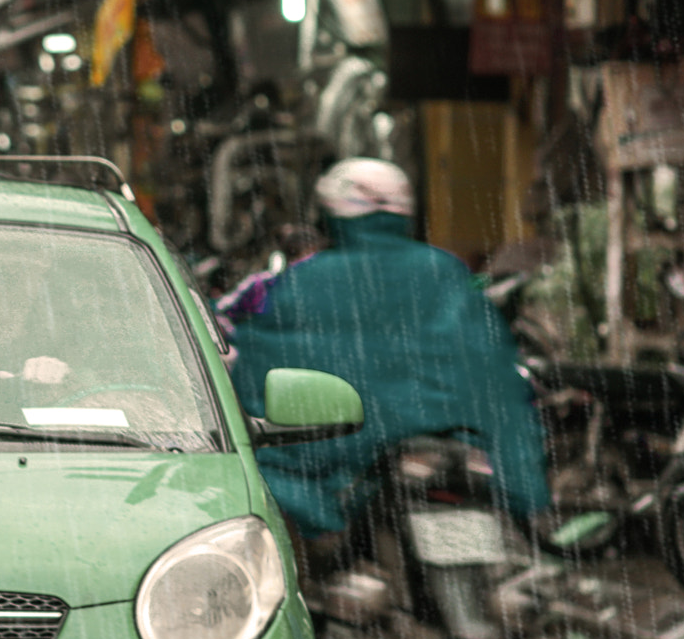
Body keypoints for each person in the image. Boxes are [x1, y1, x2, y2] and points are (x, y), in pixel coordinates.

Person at [225, 158, 549, 552]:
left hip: (347, 476)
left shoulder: (297, 283)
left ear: (329, 216)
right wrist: (520, 478)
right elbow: (495, 375)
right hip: (450, 453)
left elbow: (257, 377)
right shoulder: (444, 270)